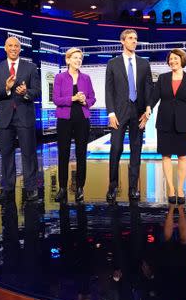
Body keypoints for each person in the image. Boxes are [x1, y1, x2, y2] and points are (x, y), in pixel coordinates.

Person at [0, 36, 41, 205]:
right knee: (6, 154)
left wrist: (26, 91)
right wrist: (6, 88)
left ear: (20, 49)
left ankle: (31, 187)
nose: (13, 48)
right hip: (5, 118)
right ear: (5, 48)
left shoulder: (31, 67)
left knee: (29, 154)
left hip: (24, 115)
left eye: (16, 46)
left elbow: (37, 91)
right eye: (10, 45)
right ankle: (8, 188)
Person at [105, 29, 152, 203]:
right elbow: (109, 90)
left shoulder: (144, 63)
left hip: (138, 113)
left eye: (136, 39)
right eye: (131, 38)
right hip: (118, 113)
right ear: (122, 41)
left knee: (136, 149)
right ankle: (112, 186)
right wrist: (110, 113)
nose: (134, 41)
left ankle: (133, 188)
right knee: (116, 148)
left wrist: (148, 108)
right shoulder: (113, 63)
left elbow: (149, 88)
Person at [149, 48, 186, 204]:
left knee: (182, 156)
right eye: (170, 59)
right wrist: (148, 107)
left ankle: (181, 188)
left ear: (182, 60)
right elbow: (155, 97)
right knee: (166, 156)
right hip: (164, 122)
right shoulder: (163, 78)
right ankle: (170, 188)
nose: (172, 61)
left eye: (176, 58)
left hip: (183, 123)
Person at [52, 47, 96, 203]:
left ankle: (79, 188)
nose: (78, 60)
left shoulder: (86, 78)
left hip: (82, 119)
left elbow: (92, 98)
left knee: (81, 154)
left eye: (80, 58)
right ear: (67, 60)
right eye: (75, 57)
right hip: (64, 120)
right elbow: (56, 100)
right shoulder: (60, 77)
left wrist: (85, 101)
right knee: (63, 154)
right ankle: (62, 188)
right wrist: (73, 98)